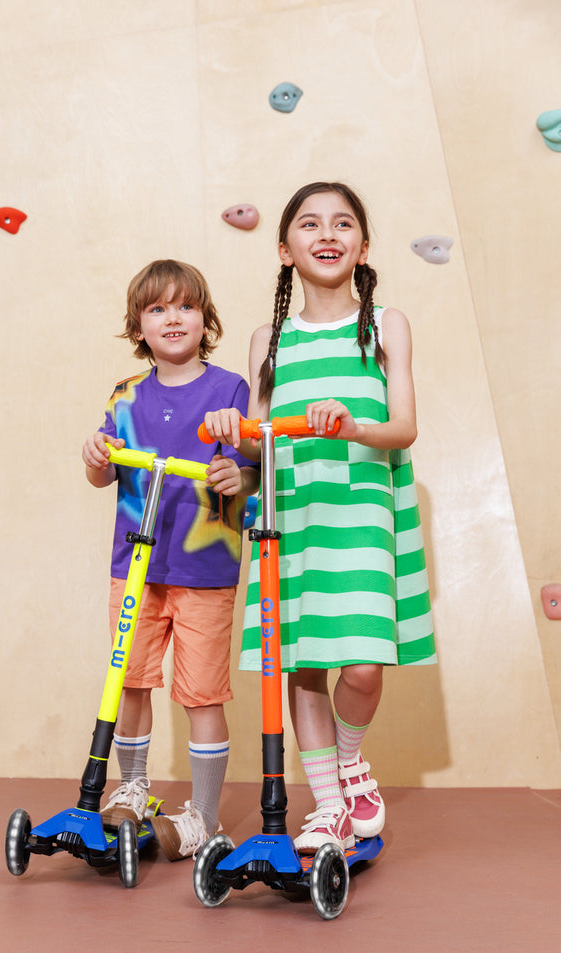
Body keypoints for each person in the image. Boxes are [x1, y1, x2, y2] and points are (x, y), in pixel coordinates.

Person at [203, 182, 436, 853]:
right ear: (285, 250)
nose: (326, 234)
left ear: (362, 246)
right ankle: (330, 804)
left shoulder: (385, 325)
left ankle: (351, 763)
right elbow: (259, 439)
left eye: (342, 224)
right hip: (293, 511)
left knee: (361, 666)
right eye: (309, 224)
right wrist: (236, 430)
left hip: (359, 510)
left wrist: (351, 425)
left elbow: (403, 427)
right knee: (302, 665)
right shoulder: (268, 339)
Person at [82, 259, 259, 861]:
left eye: (185, 306)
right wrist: (95, 456)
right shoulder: (126, 394)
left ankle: (204, 815)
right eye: (157, 309)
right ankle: (133, 786)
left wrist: (238, 475)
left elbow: (250, 470)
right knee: (129, 681)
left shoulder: (229, 390)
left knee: (201, 693)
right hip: (134, 565)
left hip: (205, 567)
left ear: (206, 319)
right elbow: (102, 474)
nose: (173, 318)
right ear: (139, 325)